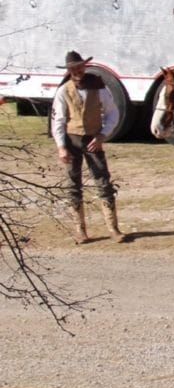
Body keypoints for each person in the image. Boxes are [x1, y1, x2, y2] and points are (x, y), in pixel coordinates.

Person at [49, 50, 123, 244]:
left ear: (85, 66)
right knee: (73, 185)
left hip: (93, 138)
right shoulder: (64, 90)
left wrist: (102, 136)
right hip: (72, 139)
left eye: (80, 67)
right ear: (69, 70)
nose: (77, 71)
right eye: (73, 68)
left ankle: (113, 228)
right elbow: (58, 120)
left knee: (103, 181)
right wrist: (61, 147)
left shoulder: (99, 87)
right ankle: (80, 230)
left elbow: (112, 113)